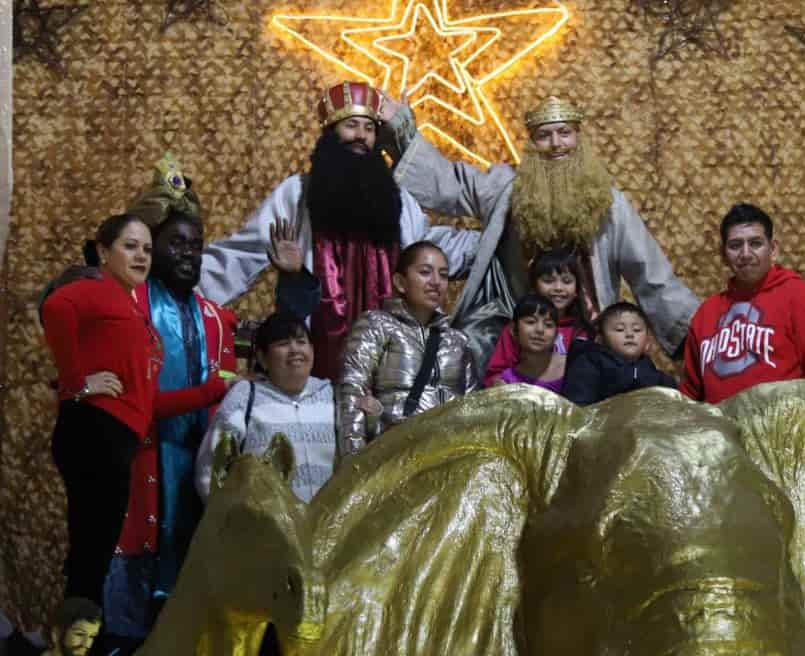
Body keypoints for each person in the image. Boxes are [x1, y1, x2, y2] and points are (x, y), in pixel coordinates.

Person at [389, 94, 699, 371]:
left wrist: (698, 337)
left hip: (585, 327)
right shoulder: (507, 188)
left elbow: (649, 272)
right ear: (531, 145)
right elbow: (451, 183)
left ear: (578, 138)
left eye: (564, 133)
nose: (556, 144)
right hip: (513, 323)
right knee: (469, 350)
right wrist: (402, 130)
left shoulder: (608, 202)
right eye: (544, 136)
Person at [199, 81, 479, 378]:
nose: (361, 136)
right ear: (330, 133)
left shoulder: (397, 199)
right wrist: (181, 291)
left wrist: (496, 239)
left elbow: (427, 249)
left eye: (369, 128)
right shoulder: (297, 194)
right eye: (351, 125)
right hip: (315, 367)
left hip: (387, 367)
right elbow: (241, 255)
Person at [41, 215, 231, 606]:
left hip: (119, 436)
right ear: (103, 252)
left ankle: (81, 626)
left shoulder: (134, 306)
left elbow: (146, 402)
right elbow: (55, 306)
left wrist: (213, 391)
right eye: (131, 247)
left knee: (91, 555)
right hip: (97, 432)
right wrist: (77, 383)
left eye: (145, 248)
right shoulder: (100, 288)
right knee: (92, 556)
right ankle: (81, 631)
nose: (141, 256)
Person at [681, 204, 805, 403]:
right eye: (735, 245)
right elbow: (689, 396)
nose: (746, 254)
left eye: (755, 243)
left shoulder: (802, 297)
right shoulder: (705, 314)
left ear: (773, 249)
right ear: (723, 255)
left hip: (786, 421)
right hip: (716, 422)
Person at [336, 241, 480, 460]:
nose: (436, 282)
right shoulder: (377, 324)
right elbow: (352, 392)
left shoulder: (458, 341)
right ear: (400, 282)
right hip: (393, 456)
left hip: (449, 457)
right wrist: (354, 463)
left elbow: (473, 410)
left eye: (443, 275)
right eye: (425, 272)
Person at [196, 314, 335, 503]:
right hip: (264, 521)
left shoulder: (332, 395)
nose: (295, 349)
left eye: (301, 342)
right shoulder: (245, 396)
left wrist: (371, 416)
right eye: (283, 343)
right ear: (263, 358)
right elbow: (209, 469)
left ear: (312, 350)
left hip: (329, 519)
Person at [484, 248, 594, 386]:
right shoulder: (520, 328)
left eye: (566, 281)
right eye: (548, 281)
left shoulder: (583, 330)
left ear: (577, 290)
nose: (558, 288)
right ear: (534, 286)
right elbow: (495, 375)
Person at [562, 301, 677, 405]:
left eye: (637, 330)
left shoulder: (653, 373)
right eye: (619, 329)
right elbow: (578, 406)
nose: (630, 334)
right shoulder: (588, 364)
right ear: (600, 339)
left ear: (647, 341)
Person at [489, 294, 566, 392]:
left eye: (548, 325)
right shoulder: (507, 382)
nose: (540, 330)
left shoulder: (570, 368)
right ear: (513, 329)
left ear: (556, 334)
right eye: (531, 322)